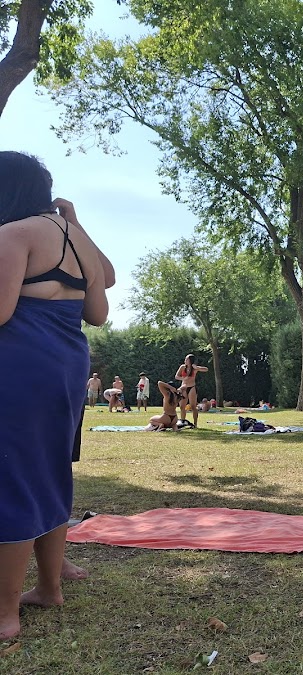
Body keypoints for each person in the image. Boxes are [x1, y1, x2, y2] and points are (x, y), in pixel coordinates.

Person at [0, 151, 111, 640]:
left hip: (20, 366)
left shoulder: (13, 235)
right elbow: (101, 297)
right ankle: (49, 587)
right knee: (49, 469)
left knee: (13, 479)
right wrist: (75, 221)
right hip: (67, 365)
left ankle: (4, 615)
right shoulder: (73, 239)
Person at [175, 354, 208, 428]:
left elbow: (206, 369)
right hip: (184, 387)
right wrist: (183, 379)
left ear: (190, 360)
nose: (185, 360)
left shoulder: (194, 368)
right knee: (182, 406)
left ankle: (195, 424)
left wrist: (197, 368)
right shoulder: (182, 367)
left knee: (193, 406)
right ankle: (182, 422)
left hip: (192, 387)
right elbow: (176, 376)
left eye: (186, 359)